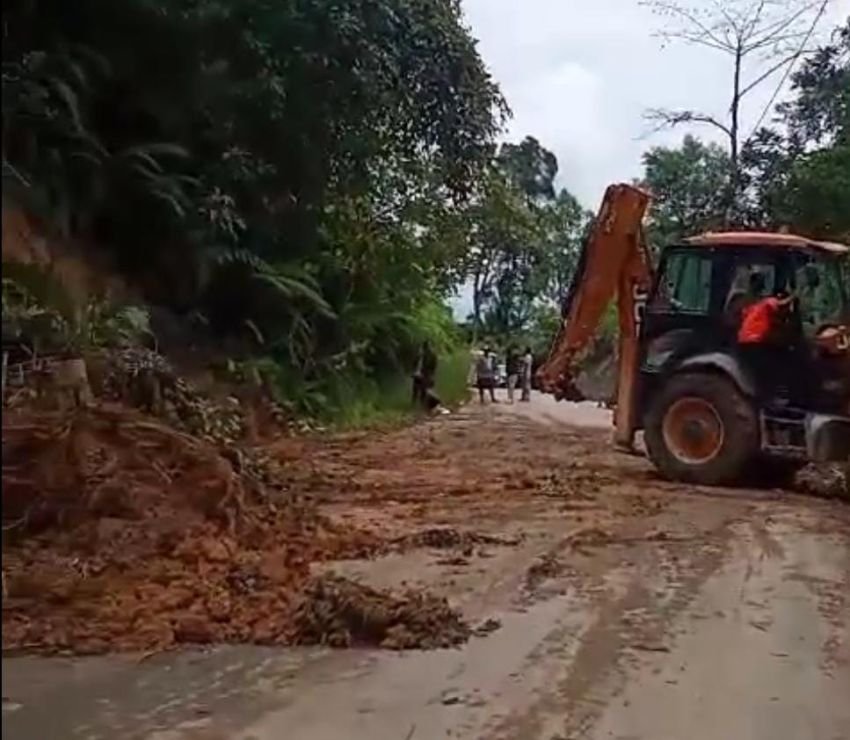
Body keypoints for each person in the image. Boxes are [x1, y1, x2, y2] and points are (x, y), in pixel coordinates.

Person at [412, 341, 438, 408]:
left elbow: (433, 365)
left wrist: (431, 374)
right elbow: (415, 363)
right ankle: (414, 403)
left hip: (425, 373)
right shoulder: (420, 355)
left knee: (423, 389)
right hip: (418, 373)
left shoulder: (431, 355)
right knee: (416, 389)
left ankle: (422, 404)